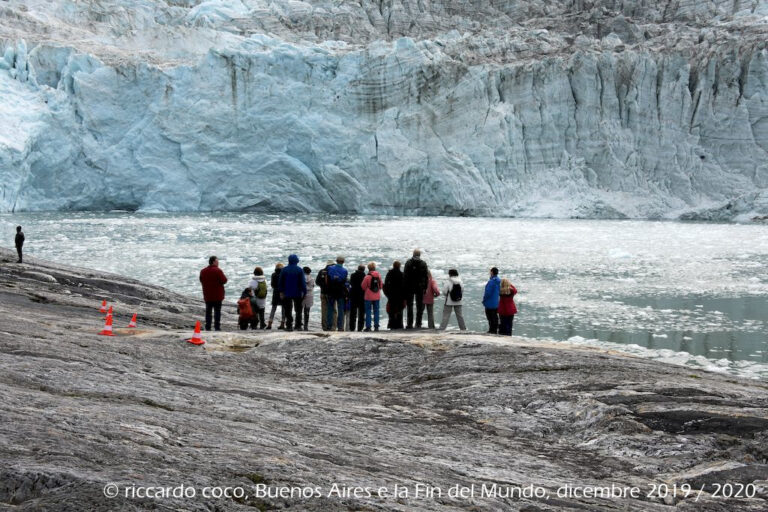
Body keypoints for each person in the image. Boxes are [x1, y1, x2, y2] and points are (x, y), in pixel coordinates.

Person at [278, 254, 307, 332]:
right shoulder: (299, 270)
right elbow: (303, 283)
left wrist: (281, 292)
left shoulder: (284, 270)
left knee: (288, 310)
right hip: (298, 293)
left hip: (287, 293)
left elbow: (280, 282)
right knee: (298, 310)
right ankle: (298, 325)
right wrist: (304, 292)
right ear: (296, 261)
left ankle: (289, 325)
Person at [199, 256, 228, 331]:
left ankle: (208, 327)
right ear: (213, 262)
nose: (218, 262)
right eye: (217, 261)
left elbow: (201, 280)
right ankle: (217, 327)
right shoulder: (218, 271)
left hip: (207, 295)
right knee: (217, 311)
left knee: (208, 312)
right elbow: (224, 280)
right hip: (217, 295)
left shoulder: (203, 271)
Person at [403, 249, 429, 329]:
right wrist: (425, 287)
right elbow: (426, 277)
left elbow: (405, 276)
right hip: (420, 287)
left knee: (409, 305)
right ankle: (418, 323)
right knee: (419, 306)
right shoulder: (423, 263)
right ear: (420, 255)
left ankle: (409, 324)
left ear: (413, 254)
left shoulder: (408, 263)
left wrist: (405, 287)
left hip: (410, 287)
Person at [325, 256, 348, 331]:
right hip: (340, 292)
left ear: (336, 261)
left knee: (330, 309)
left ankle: (329, 326)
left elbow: (327, 279)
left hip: (331, 291)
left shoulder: (330, 268)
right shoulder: (345, 271)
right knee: (340, 309)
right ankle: (340, 327)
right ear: (343, 262)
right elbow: (344, 282)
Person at [361, 261, 383, 331]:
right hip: (377, 296)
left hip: (368, 297)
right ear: (374, 268)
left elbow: (363, 287)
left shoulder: (367, 277)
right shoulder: (378, 276)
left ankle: (368, 327)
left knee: (368, 311)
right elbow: (381, 286)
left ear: (368, 268)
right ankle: (376, 326)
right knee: (376, 311)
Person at [383, 260, 405, 330]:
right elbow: (405, 286)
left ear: (393, 266)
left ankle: (392, 325)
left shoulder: (389, 274)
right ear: (399, 266)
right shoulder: (402, 274)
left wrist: (387, 294)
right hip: (400, 295)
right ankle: (399, 325)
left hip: (391, 295)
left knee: (391, 310)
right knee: (399, 310)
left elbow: (385, 285)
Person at [483, 267, 502, 334]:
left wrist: (484, 300)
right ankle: (495, 329)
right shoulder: (499, 281)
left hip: (489, 302)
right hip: (496, 302)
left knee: (490, 317)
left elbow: (488, 292)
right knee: (495, 316)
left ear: (492, 272)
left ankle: (492, 330)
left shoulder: (491, 282)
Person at [316, 260, 333, 330]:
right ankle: (332, 326)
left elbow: (317, 282)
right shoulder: (333, 271)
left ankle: (324, 326)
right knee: (333, 310)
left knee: (324, 310)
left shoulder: (321, 271)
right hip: (331, 293)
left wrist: (322, 286)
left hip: (323, 292)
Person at [348, 264, 366, 332]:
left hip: (353, 295)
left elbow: (351, 283)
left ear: (358, 268)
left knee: (353, 313)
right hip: (362, 295)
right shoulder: (365, 276)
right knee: (361, 313)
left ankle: (352, 327)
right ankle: (360, 328)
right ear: (363, 269)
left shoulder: (353, 275)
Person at [267, 263, 285, 330]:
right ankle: (282, 324)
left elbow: (272, 285)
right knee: (283, 309)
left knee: (273, 308)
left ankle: (269, 324)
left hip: (275, 293)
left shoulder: (273, 274)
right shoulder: (284, 274)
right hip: (283, 292)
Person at [302, 266, 314, 331]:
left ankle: (299, 324)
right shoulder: (312, 278)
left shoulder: (302, 278)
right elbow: (312, 286)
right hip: (310, 295)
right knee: (307, 311)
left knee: (300, 310)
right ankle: (306, 325)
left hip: (302, 295)